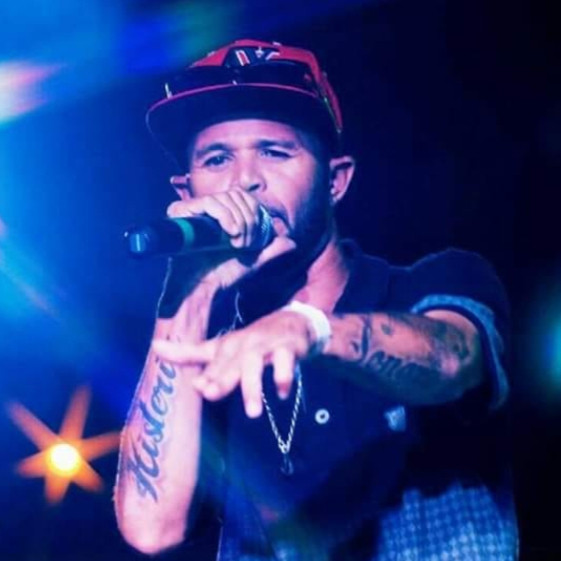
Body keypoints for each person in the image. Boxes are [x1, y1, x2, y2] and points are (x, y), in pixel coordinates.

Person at [114, 39, 518, 560]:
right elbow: (151, 528)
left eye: (274, 152)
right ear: (187, 192)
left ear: (335, 181)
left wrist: (311, 328)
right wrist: (188, 292)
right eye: (217, 159)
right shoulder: (211, 359)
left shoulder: (431, 283)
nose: (245, 180)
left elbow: (450, 359)